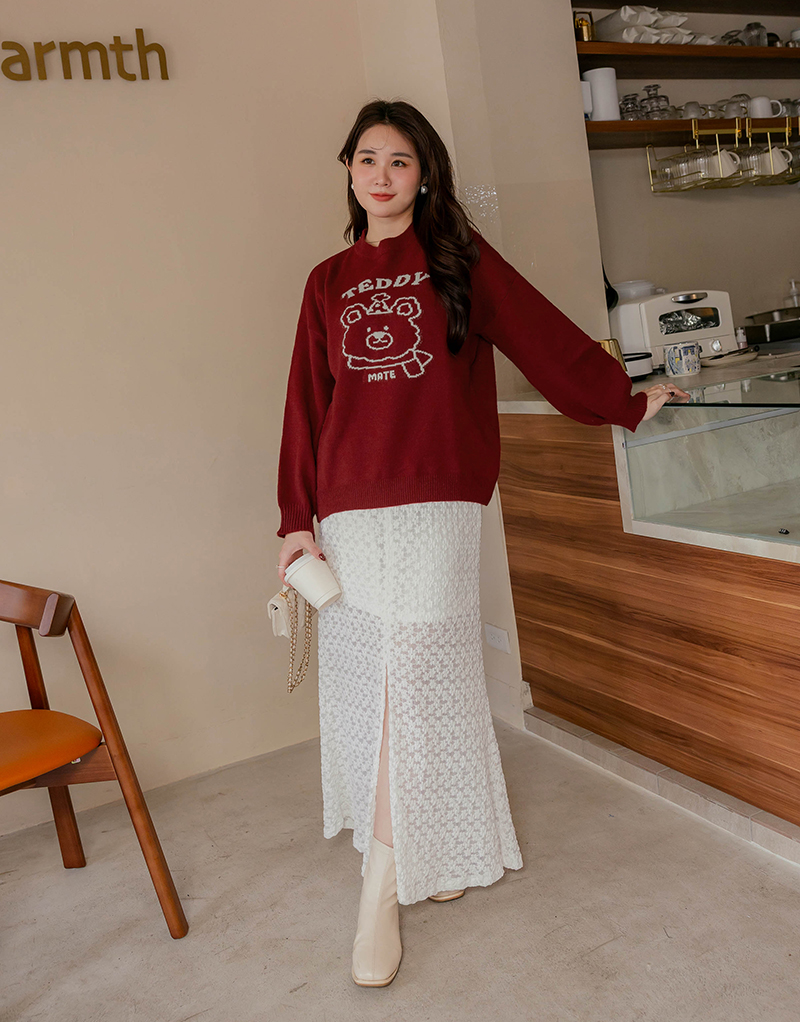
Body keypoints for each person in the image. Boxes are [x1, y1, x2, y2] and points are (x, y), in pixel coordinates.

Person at [275, 98, 688, 988]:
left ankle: (380, 889)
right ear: (348, 169)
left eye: (401, 161)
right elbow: (307, 403)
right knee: (378, 683)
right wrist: (294, 519)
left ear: (425, 177)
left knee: (415, 680)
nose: (382, 175)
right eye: (368, 158)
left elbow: (543, 337)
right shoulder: (326, 281)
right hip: (349, 509)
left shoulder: (458, 260)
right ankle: (417, 852)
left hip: (438, 503)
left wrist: (624, 400)